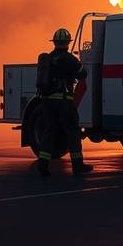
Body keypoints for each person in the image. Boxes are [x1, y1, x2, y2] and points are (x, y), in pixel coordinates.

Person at [36, 28, 92, 177]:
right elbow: (83, 73)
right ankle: (78, 165)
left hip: (47, 101)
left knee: (49, 131)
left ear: (54, 42)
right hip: (63, 101)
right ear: (68, 42)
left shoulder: (48, 58)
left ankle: (43, 163)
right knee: (72, 132)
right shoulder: (69, 59)